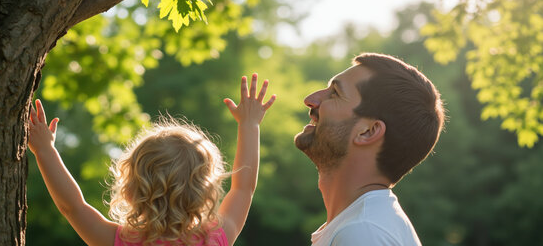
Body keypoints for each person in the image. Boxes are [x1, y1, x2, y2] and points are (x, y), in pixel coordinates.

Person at [28, 73, 276, 246]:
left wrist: (44, 150)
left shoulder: (118, 241)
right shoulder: (216, 239)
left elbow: (72, 206)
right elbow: (244, 188)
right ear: (205, 192)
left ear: (129, 188)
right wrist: (249, 124)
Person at [294, 53, 445, 246]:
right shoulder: (363, 225)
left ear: (368, 132)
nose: (311, 99)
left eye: (335, 93)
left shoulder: (362, 232)